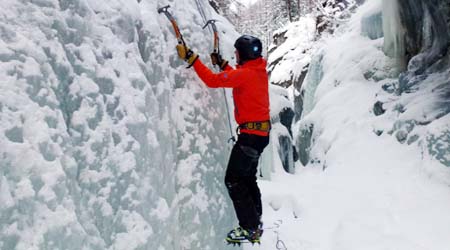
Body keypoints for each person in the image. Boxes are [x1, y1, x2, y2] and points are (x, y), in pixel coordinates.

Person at [176, 35, 270, 244]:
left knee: (233, 180)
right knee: (247, 179)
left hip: (250, 137)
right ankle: (255, 221)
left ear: (244, 54)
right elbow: (238, 77)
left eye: (237, 53)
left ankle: (249, 227)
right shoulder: (257, 72)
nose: (235, 55)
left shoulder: (246, 74)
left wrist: (192, 59)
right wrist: (224, 64)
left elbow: (212, 81)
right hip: (260, 135)